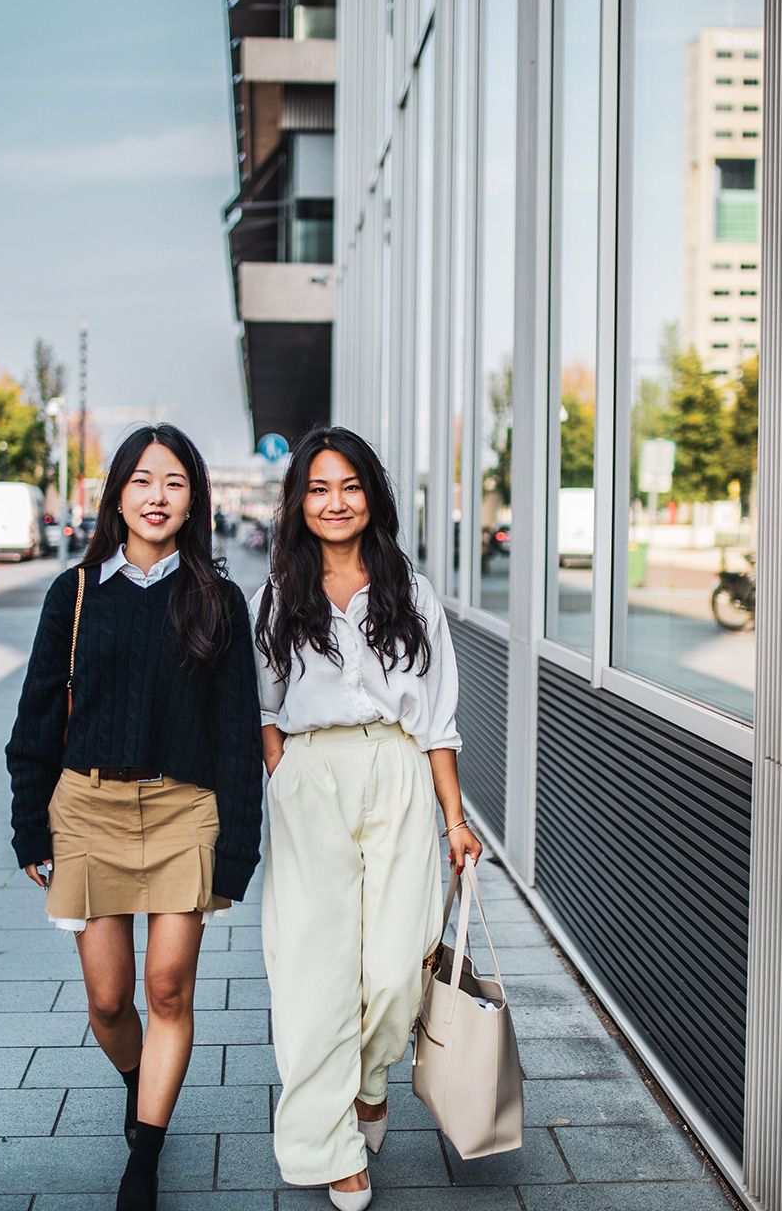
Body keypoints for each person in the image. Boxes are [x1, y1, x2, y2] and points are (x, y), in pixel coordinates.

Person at [6, 424, 263, 1211]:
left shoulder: (217, 599)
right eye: (143, 480)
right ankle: (134, 1080)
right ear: (117, 493)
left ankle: (142, 1164)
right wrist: (29, 822)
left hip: (185, 809)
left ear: (195, 500)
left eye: (175, 483)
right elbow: (38, 714)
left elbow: (235, 736)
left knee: (168, 990)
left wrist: (237, 852)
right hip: (86, 807)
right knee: (110, 1000)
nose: (158, 496)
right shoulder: (75, 593)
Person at [251, 425, 482, 1210]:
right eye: (317, 488)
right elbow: (265, 707)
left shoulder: (410, 593)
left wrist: (455, 820)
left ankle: (371, 1079)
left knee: (393, 970)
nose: (334, 501)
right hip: (311, 777)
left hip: (399, 772)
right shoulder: (278, 593)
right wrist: (286, 775)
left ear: (371, 496)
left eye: (348, 486)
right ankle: (328, 1146)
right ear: (298, 501)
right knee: (314, 970)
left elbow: (439, 720)